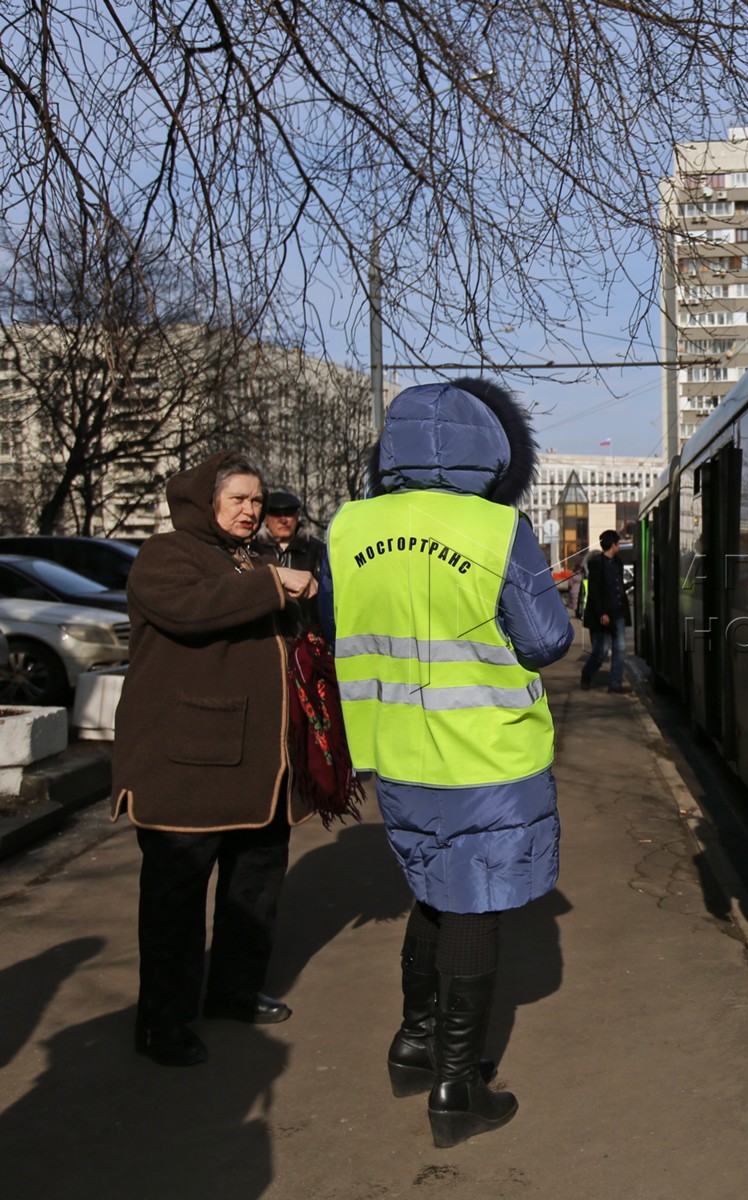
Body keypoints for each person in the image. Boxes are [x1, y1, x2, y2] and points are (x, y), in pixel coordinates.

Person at [320, 377, 571, 1148]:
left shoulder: (346, 528)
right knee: (474, 902)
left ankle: (413, 1043)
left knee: (432, 888)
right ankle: (457, 1090)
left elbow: (339, 624)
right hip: (486, 753)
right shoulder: (497, 528)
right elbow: (546, 639)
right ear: (486, 449)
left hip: (395, 750)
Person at [112, 451, 320, 1067]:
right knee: (176, 899)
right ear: (208, 501)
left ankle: (232, 990)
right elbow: (190, 610)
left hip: (260, 763)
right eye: (239, 500)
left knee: (254, 885)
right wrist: (274, 584)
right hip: (187, 765)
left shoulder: (255, 558)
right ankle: (162, 1021)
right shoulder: (166, 554)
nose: (252, 511)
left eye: (257, 501)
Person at [254, 489, 327, 624]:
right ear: (265, 519)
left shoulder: (317, 550)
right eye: (277, 514)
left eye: (289, 514)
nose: (283, 520)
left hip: (306, 633)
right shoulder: (253, 550)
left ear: (298, 515)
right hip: (266, 632)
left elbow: (327, 594)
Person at [579, 529, 630, 693]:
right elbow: (594, 592)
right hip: (602, 615)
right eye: (618, 543)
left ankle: (615, 682)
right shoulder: (596, 564)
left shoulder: (618, 563)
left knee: (620, 648)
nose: (619, 546)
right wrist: (602, 613)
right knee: (600, 651)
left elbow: (618, 585)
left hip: (618, 613)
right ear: (613, 545)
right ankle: (586, 674)